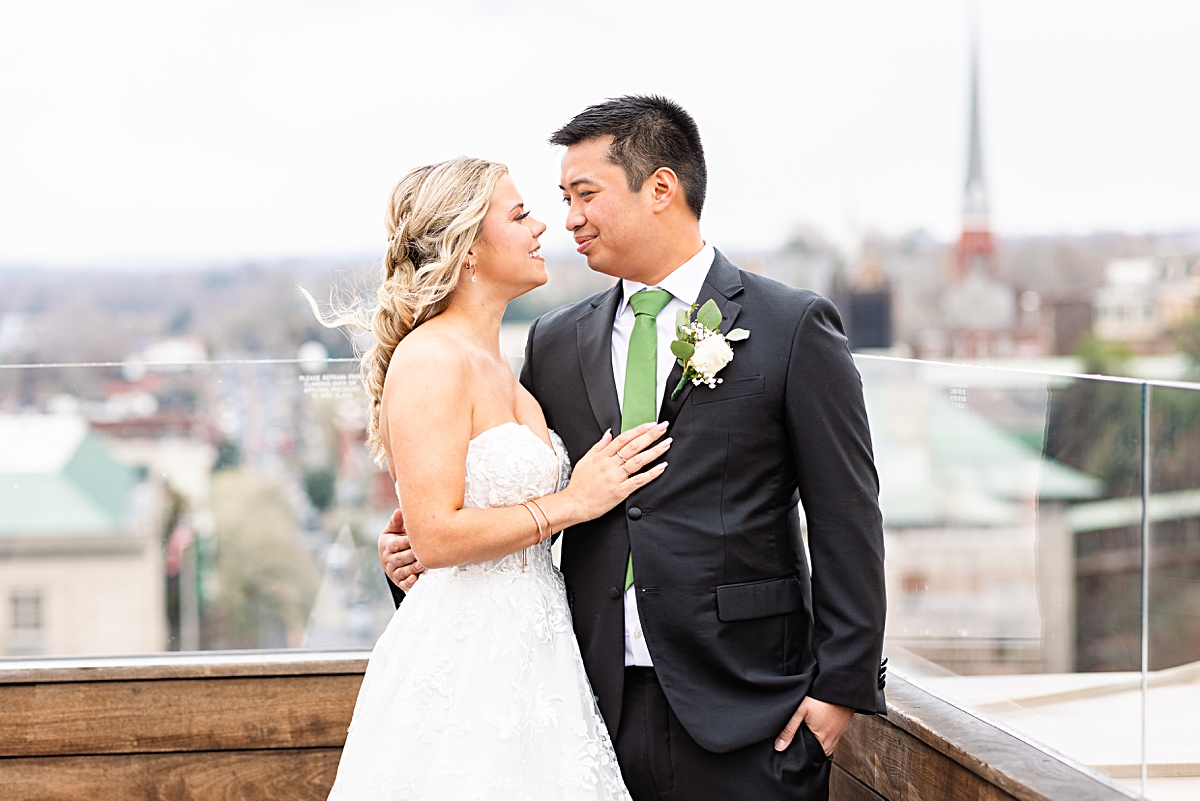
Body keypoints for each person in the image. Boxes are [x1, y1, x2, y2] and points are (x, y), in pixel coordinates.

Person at [382, 96, 887, 801]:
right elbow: (492, 498)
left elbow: (847, 515)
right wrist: (412, 551)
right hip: (582, 703)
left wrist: (841, 688)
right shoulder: (554, 342)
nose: (568, 219)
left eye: (584, 194)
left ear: (660, 189)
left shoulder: (790, 327)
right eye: (558, 198)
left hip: (747, 710)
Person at [319, 156, 672, 800]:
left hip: (541, 649)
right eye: (518, 215)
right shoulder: (429, 358)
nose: (543, 226)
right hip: (467, 662)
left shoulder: (507, 365)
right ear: (467, 248)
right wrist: (573, 502)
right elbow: (434, 537)